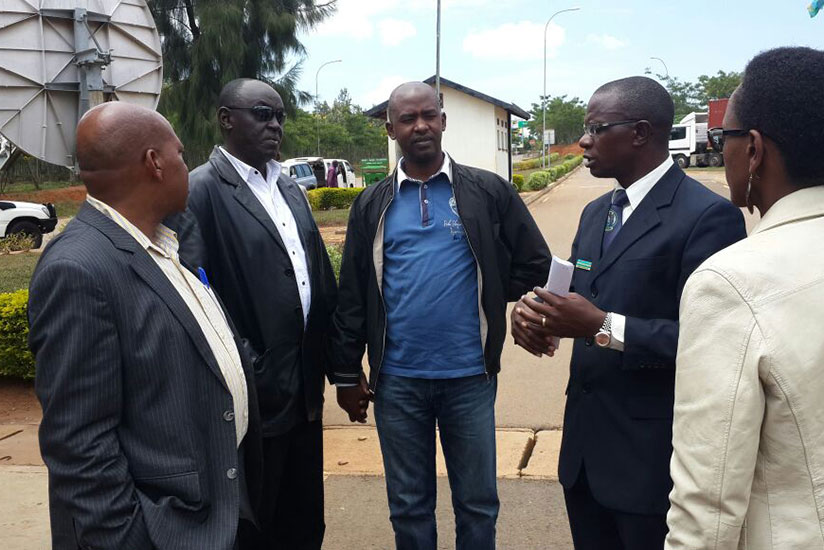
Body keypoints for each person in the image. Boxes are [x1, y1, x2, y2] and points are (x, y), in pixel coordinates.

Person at [511, 76, 746, 550]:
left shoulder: (707, 217)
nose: (584, 140)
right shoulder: (597, 212)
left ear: (640, 132)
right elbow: (582, 293)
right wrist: (536, 313)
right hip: (583, 458)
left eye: (597, 129)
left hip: (649, 463)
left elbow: (714, 344)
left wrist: (600, 326)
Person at [29, 102, 263, 550]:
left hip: (212, 512)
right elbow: (78, 444)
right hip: (162, 529)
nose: (186, 165)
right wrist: (131, 536)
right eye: (179, 154)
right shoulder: (79, 269)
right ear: (154, 163)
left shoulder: (162, 244)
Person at [328, 81, 550, 550]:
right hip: (397, 382)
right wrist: (347, 373)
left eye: (429, 115)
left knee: (477, 504)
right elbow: (353, 294)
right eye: (407, 119)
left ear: (443, 121)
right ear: (391, 129)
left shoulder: (488, 191)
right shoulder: (371, 204)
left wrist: (493, 294)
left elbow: (535, 264)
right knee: (409, 506)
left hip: (469, 377)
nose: (421, 125)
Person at [665, 47, 824, 550]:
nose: (722, 150)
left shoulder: (732, 283)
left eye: (723, 138)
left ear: (753, 149)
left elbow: (707, 507)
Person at [173, 78, 337, 549]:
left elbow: (318, 280)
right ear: (227, 119)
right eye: (263, 114)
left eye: (280, 116)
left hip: (304, 391)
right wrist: (253, 366)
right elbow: (196, 295)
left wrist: (336, 365)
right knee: (256, 526)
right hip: (252, 398)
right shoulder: (199, 191)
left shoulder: (289, 189)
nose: (275, 125)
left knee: (304, 520)